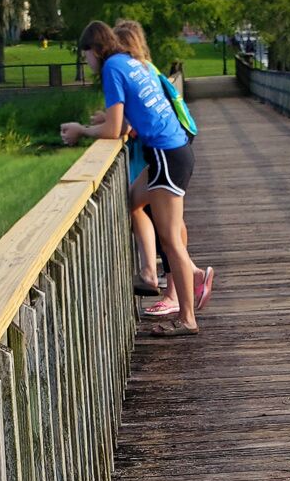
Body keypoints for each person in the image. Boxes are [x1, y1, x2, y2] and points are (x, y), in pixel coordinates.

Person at [60, 19, 209, 334]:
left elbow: (115, 130)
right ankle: (170, 274)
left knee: (170, 241)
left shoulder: (112, 68)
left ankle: (187, 318)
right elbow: (129, 121)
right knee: (131, 201)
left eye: (85, 55)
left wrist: (81, 130)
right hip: (171, 152)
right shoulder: (131, 61)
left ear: (96, 50)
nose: (85, 62)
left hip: (167, 157)